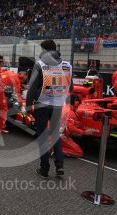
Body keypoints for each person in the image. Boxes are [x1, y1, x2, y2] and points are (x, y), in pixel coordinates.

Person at [26, 39, 72, 178]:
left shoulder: (39, 64)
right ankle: (60, 166)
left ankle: (44, 169)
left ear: (45, 50)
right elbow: (72, 87)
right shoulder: (67, 65)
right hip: (58, 105)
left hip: (42, 104)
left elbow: (32, 88)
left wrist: (28, 105)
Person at [0, 55, 9, 133]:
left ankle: (1, 127)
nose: (0, 63)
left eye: (1, 61)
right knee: (4, 108)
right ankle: (1, 128)